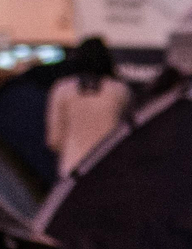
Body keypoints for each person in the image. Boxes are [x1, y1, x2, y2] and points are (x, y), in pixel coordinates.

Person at [44, 36, 130, 175]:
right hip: (110, 168)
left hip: (72, 169)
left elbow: (54, 140)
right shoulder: (120, 90)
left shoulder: (62, 89)